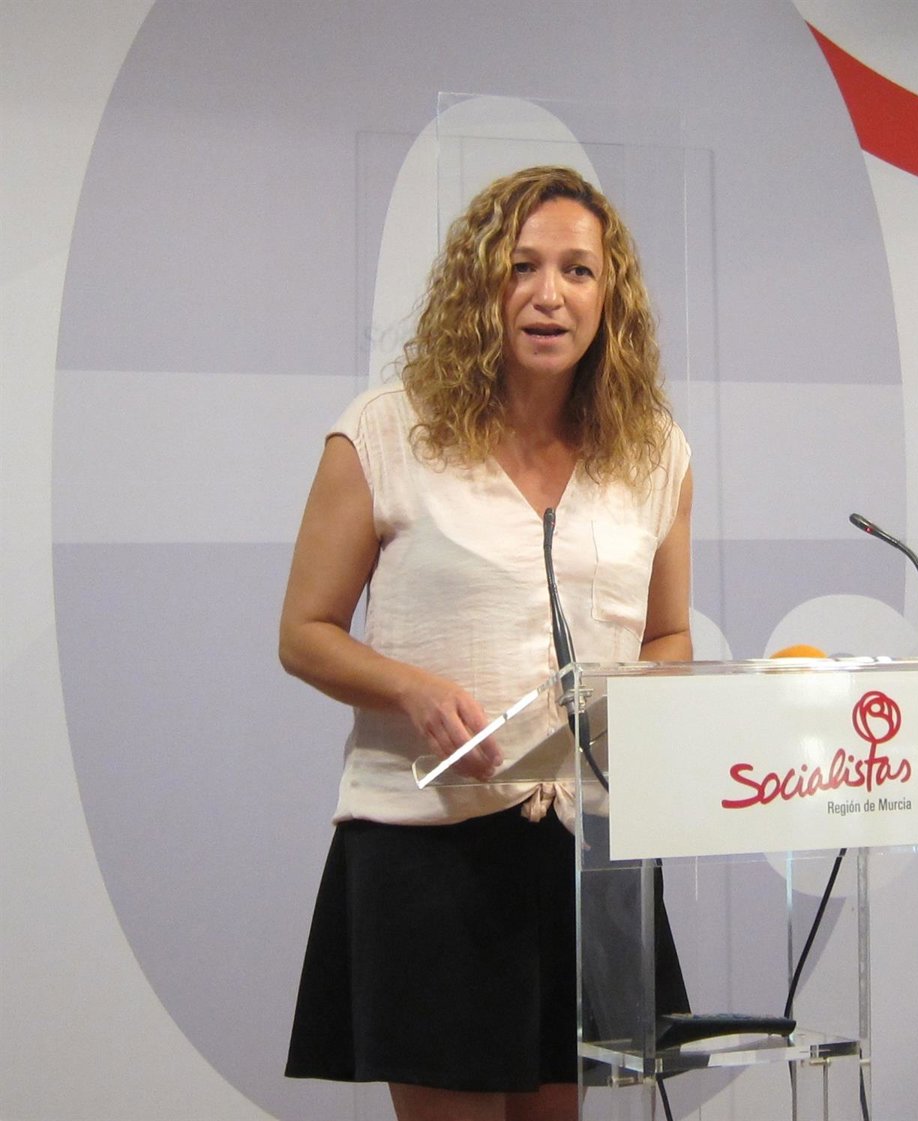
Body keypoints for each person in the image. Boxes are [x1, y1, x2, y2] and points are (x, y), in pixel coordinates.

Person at [280, 165, 694, 1121]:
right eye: (522, 266)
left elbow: (668, 633)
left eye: (578, 271)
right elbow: (303, 633)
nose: (551, 295)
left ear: (611, 297)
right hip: (431, 846)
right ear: (481, 286)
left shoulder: (655, 453)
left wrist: (624, 705)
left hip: (586, 848)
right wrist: (414, 690)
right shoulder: (386, 433)